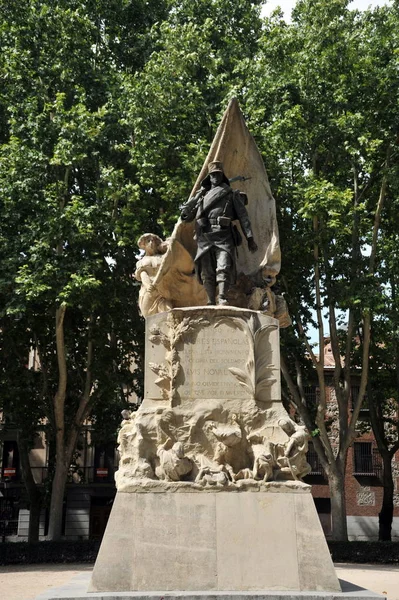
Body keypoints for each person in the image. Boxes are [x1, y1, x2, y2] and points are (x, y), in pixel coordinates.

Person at [180, 161, 258, 305]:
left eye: (218, 174)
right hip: (205, 237)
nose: (215, 177)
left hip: (224, 235)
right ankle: (210, 300)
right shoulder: (202, 196)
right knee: (206, 271)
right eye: (212, 175)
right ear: (209, 177)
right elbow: (187, 218)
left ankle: (222, 297)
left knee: (223, 267)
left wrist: (250, 238)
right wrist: (186, 210)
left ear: (222, 176)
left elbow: (243, 217)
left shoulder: (231, 194)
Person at [134, 233, 173, 317]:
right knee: (148, 316)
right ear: (144, 244)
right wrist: (149, 286)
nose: (151, 243)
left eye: (153, 241)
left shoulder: (163, 257)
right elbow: (142, 274)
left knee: (169, 312)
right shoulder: (141, 262)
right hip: (148, 291)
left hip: (164, 289)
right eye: (148, 241)